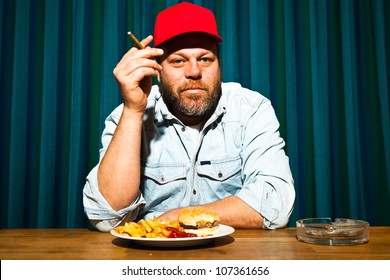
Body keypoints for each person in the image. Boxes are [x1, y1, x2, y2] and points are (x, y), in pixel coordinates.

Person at [83, 2, 295, 232]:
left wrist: (179, 216)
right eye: (178, 61)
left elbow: (276, 203)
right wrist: (134, 110)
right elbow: (105, 219)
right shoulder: (128, 115)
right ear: (157, 70)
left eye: (205, 59)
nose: (194, 72)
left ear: (219, 64)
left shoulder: (252, 109)